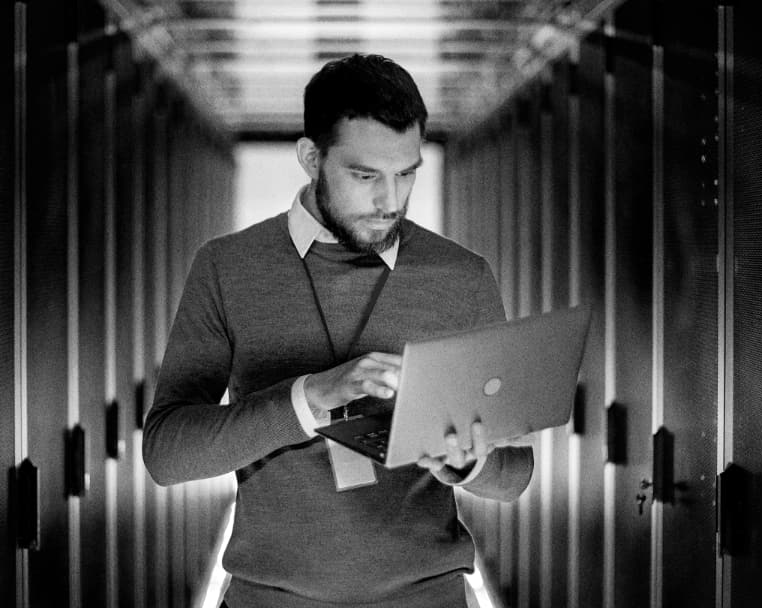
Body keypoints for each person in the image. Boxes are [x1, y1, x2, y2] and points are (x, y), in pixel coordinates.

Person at [143, 53, 534, 608]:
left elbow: (516, 472)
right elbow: (167, 454)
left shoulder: (462, 276)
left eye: (406, 174)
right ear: (310, 157)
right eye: (365, 175)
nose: (389, 201)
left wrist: (468, 463)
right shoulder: (227, 267)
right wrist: (308, 399)